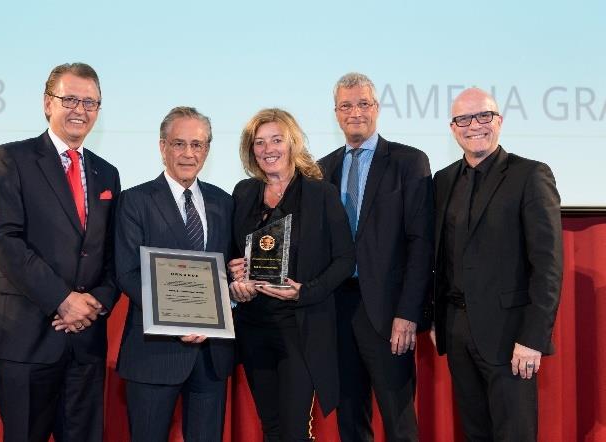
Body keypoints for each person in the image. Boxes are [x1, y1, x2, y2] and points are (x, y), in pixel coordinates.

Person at [0, 62, 121, 441]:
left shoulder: (107, 173)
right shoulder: (12, 158)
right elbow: (2, 238)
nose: (80, 110)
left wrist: (95, 302)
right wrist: (62, 299)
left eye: (90, 103)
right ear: (47, 103)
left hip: (86, 340)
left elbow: (112, 252)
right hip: (26, 338)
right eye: (70, 99)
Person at [432, 87, 563, 441]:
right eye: (464, 119)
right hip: (457, 331)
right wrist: (436, 318)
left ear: (499, 121)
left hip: (510, 336)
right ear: (453, 128)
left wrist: (533, 338)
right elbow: (440, 257)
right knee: (475, 433)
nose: (474, 125)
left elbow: (548, 267)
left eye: (483, 116)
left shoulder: (530, 175)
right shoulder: (443, 180)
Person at [318, 72, 434, 442]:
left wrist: (408, 313)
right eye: (346, 105)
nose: (355, 112)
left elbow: (421, 244)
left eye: (363, 103)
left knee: (400, 424)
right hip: (337, 312)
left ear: (377, 108)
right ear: (336, 113)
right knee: (350, 422)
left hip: (388, 314)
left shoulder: (408, 162)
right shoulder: (322, 170)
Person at [228, 108, 355, 441]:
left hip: (299, 328)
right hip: (253, 326)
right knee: (271, 427)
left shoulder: (321, 193)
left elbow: (345, 259)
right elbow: (232, 256)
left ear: (292, 143)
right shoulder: (243, 192)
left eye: (276, 140)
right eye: (259, 142)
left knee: (294, 430)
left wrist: (305, 291)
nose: (268, 149)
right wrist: (235, 280)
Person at [114, 106, 234, 442]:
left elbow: (227, 269)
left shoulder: (224, 202)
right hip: (154, 352)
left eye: (197, 145)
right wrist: (178, 320)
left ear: (207, 150)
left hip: (210, 355)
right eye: (179, 143)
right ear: (162, 147)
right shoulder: (135, 200)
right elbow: (128, 272)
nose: (188, 153)